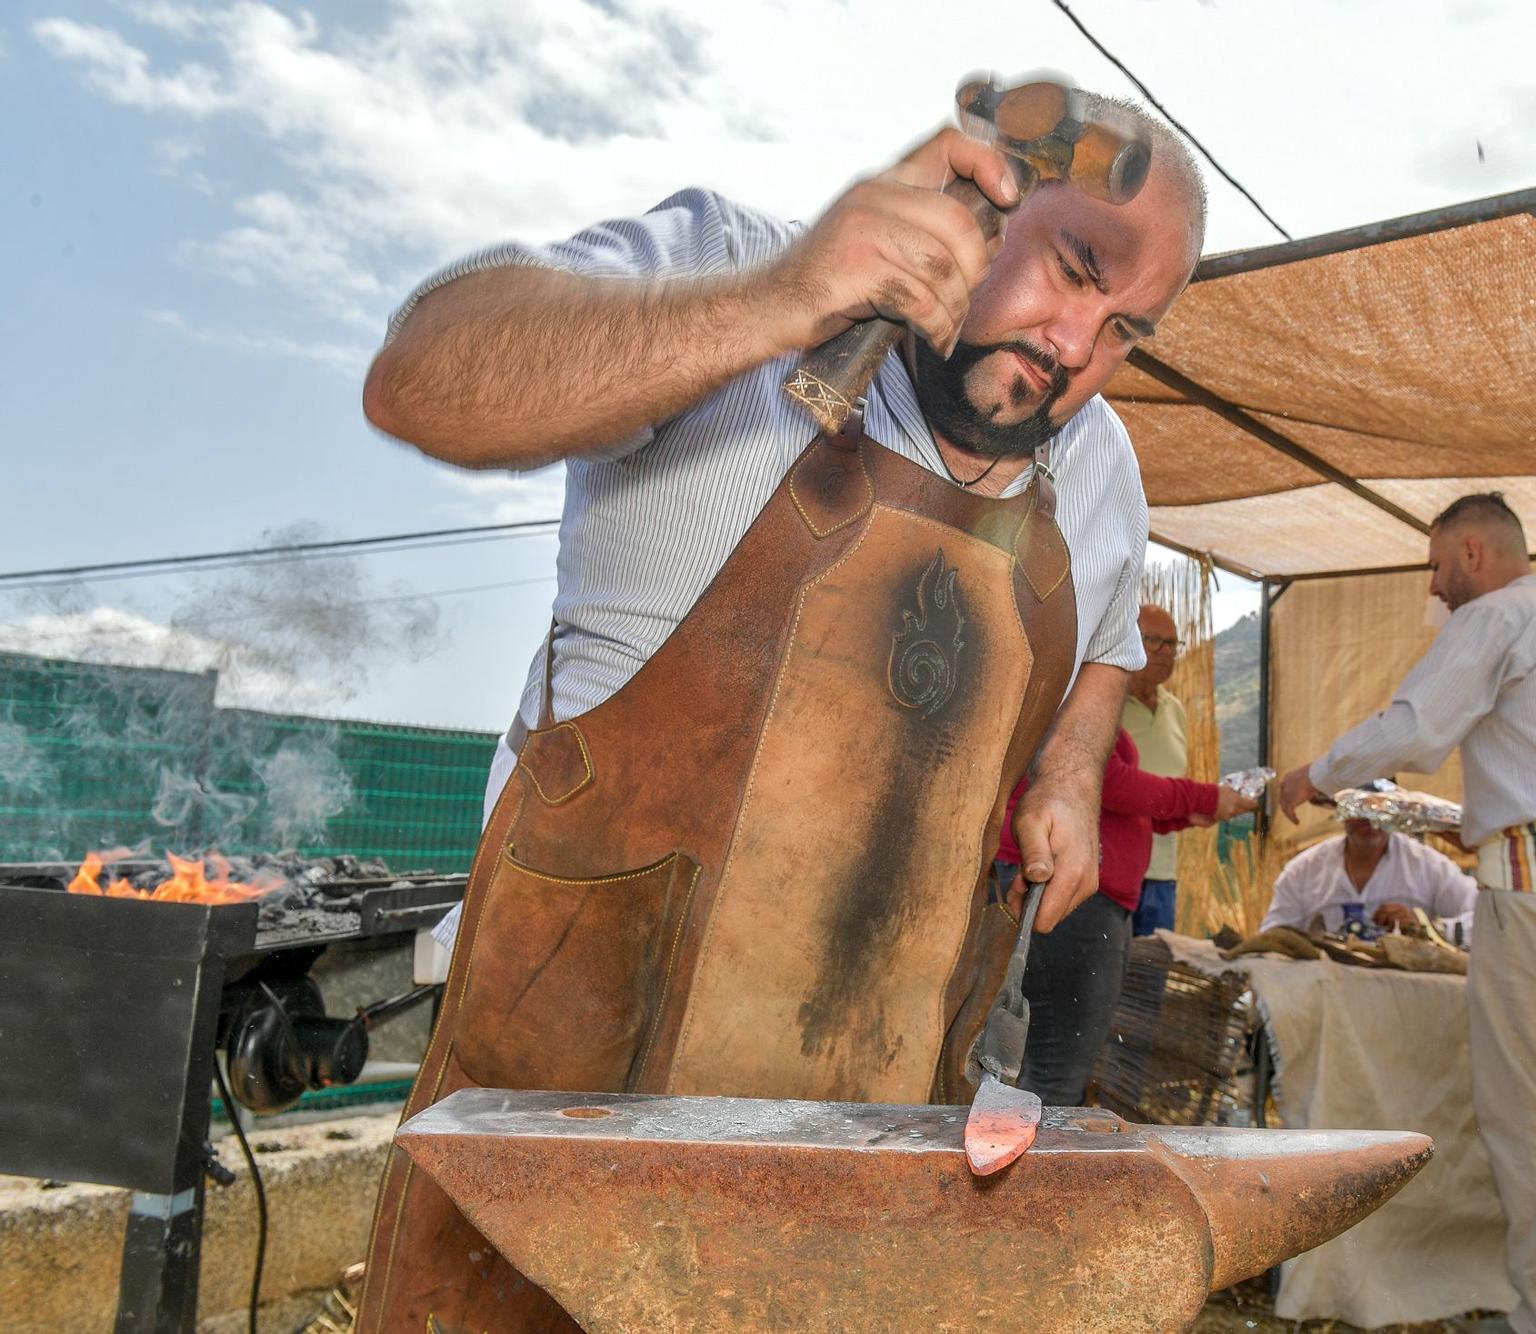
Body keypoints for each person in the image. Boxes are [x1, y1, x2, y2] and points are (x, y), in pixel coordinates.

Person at [355, 90, 1209, 1330]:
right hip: (563, 1126)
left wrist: (1072, 769)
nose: (1077, 345)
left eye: (1123, 327)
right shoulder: (724, 263)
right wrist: (783, 296)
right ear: (975, 197)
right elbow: (420, 379)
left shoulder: (1101, 463)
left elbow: (1112, 641)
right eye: (1072, 270)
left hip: (861, 1149)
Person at [1276, 492, 1536, 1334]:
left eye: (1438, 564)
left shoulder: (1496, 620)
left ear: (1474, 553)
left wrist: (1318, 774)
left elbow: (1414, 728)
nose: (1435, 585)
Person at [995, 731, 1255, 1103]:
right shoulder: (1075, 690)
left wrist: (1178, 815)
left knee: (1068, 1060)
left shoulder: (1088, 695)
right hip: (1068, 885)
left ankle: (1044, 1151)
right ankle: (1036, 1158)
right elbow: (1102, 778)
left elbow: (1102, 799)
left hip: (1089, 891)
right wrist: (1206, 798)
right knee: (1057, 1065)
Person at [1261, 817, 1478, 936]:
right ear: (1341, 809)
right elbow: (1273, 936)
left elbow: (1481, 920)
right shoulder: (1303, 870)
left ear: (1396, 811)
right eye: (1359, 809)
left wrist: (1423, 927)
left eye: (1380, 809)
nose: (1370, 819)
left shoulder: (1428, 866)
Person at [1122, 602, 1191, 935]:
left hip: (1163, 874)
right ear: (1128, 640)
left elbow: (1172, 783)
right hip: (1114, 872)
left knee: (1151, 981)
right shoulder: (1106, 707)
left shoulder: (1175, 710)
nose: (1166, 652)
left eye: (1173, 644)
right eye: (1154, 641)